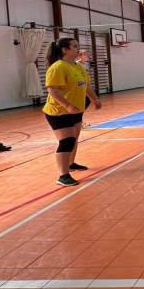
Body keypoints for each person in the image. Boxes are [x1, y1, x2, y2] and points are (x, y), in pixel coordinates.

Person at [43, 38, 101, 186]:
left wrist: (94, 98)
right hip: (59, 111)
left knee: (73, 139)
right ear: (65, 50)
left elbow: (86, 85)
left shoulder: (79, 66)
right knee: (67, 141)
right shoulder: (58, 67)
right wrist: (67, 105)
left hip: (76, 110)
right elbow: (52, 89)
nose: (78, 49)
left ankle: (71, 164)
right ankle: (62, 175)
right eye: (75, 46)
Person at [77, 50, 92, 127]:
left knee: (86, 102)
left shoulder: (86, 64)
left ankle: (79, 120)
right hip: (78, 87)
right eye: (85, 54)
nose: (87, 55)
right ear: (80, 56)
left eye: (87, 53)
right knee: (85, 102)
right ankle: (78, 121)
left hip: (84, 86)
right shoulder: (76, 64)